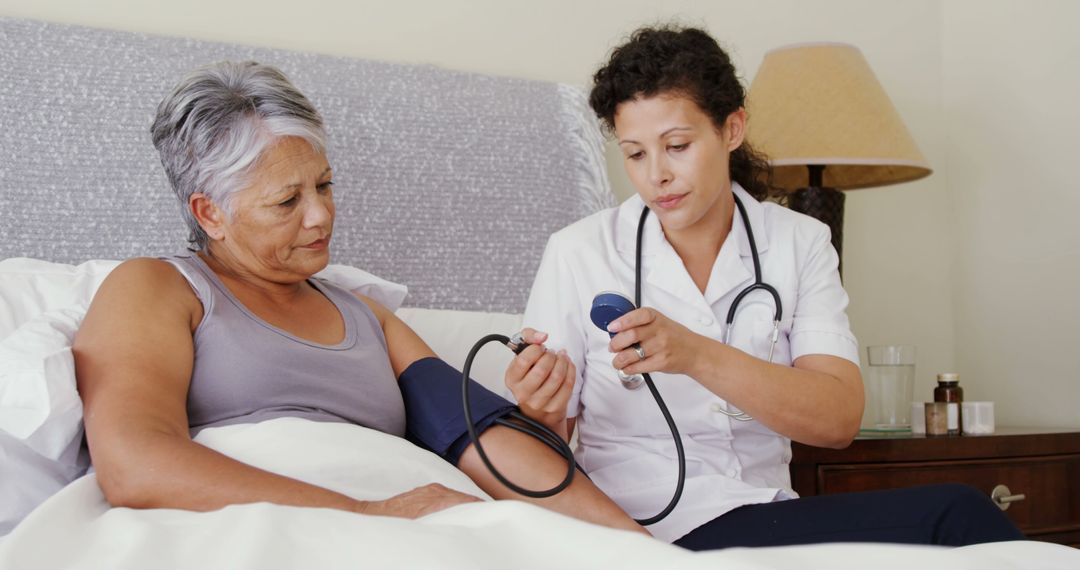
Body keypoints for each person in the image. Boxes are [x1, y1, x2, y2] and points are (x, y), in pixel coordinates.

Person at [72, 60, 643, 534]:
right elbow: (134, 464)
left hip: (413, 526)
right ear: (209, 213)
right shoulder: (157, 287)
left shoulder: (362, 313)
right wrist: (367, 516)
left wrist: (638, 549)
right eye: (286, 201)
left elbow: (479, 440)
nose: (321, 215)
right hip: (271, 529)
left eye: (323, 185)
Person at [511, 25, 1023, 549]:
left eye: (678, 145)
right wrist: (541, 405)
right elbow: (543, 452)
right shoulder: (579, 252)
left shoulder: (800, 242)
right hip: (640, 527)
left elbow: (838, 418)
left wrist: (695, 354)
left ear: (732, 129)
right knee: (955, 514)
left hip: (767, 515)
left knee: (957, 516)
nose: (655, 176)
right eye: (635, 154)